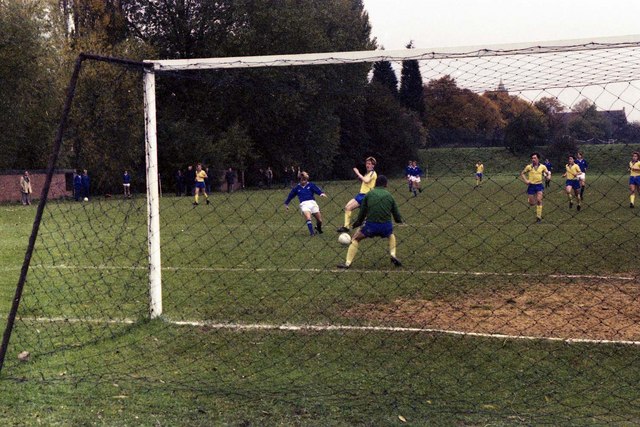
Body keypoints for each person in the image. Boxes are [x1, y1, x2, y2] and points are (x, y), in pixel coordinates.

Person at [337, 175, 403, 269]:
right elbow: (396, 215)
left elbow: (362, 212)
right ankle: (393, 254)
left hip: (370, 226)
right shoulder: (389, 196)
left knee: (355, 238)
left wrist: (358, 223)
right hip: (386, 226)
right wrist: (399, 220)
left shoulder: (369, 194)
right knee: (391, 235)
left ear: (375, 183)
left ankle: (347, 263)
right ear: (386, 185)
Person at [337, 156, 377, 232]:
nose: (367, 165)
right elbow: (365, 182)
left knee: (349, 208)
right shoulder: (367, 173)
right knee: (346, 207)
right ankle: (361, 221)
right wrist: (360, 179)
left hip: (365, 196)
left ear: (373, 165)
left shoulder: (373, 173)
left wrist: (357, 172)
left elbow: (366, 180)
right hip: (360, 195)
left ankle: (346, 227)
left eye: (369, 163)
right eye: (367, 163)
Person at [284, 171, 327, 236]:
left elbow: (317, 190)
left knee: (319, 220)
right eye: (302, 180)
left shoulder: (311, 185)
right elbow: (291, 195)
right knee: (308, 217)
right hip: (304, 204)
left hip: (313, 203)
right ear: (300, 180)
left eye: (305, 180)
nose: (304, 181)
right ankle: (312, 233)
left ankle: (318, 228)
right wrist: (286, 203)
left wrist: (321, 193)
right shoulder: (297, 188)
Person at [519, 152, 550, 223]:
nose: (533, 159)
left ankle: (538, 217)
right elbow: (522, 173)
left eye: (535, 158)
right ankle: (530, 200)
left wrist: (548, 177)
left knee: (539, 200)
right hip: (531, 186)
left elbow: (548, 173)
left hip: (539, 185)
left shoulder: (543, 166)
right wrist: (526, 181)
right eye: (532, 158)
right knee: (531, 203)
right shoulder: (529, 167)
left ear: (538, 159)